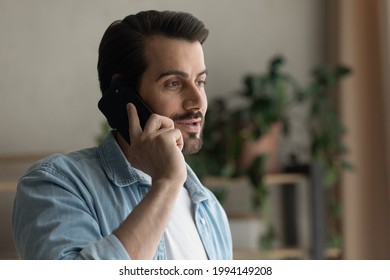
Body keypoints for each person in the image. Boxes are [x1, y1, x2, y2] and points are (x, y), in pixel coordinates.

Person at [12, 10, 232, 260]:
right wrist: (167, 184)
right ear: (124, 93)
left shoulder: (209, 208)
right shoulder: (55, 185)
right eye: (174, 83)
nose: (197, 101)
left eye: (200, 81)